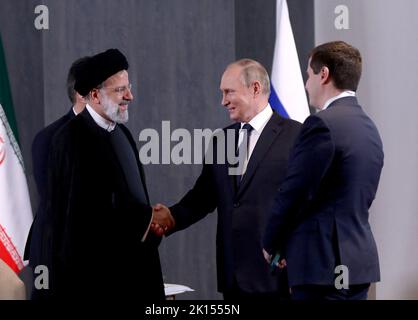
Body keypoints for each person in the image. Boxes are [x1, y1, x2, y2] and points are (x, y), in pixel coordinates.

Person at [153, 59, 301, 300]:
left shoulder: (296, 136)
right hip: (233, 279)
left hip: (277, 277)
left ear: (255, 88)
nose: (223, 101)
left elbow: (304, 203)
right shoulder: (221, 139)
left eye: (229, 92)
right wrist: (169, 218)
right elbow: (202, 198)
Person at [262, 41, 384, 300]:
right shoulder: (369, 128)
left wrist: (271, 242)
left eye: (308, 75)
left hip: (322, 268)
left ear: (324, 75)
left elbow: (295, 191)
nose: (306, 84)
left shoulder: (321, 125)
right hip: (357, 266)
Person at [40, 48, 165, 300]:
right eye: (120, 90)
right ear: (95, 95)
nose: (130, 96)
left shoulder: (122, 134)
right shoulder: (70, 139)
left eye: (129, 87)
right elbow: (81, 218)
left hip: (135, 272)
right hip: (94, 280)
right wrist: (148, 219)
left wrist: (150, 220)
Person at [24, 56, 88, 270]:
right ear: (81, 93)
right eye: (105, 88)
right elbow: (55, 201)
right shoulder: (49, 138)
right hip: (57, 255)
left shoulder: (115, 137)